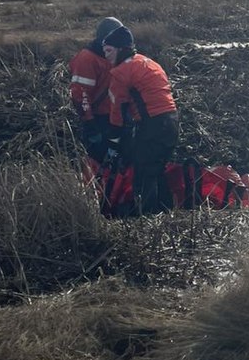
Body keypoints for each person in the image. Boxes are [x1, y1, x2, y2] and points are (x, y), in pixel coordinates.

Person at [103, 25, 179, 216]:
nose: (106, 56)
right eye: (104, 51)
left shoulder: (120, 72)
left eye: (109, 51)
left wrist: (114, 140)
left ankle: (145, 218)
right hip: (172, 121)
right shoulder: (149, 62)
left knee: (144, 172)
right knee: (157, 168)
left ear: (121, 49)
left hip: (152, 125)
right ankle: (165, 210)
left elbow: (117, 111)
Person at [68, 17, 122, 163]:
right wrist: (91, 124)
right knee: (97, 162)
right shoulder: (87, 59)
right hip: (98, 120)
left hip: (113, 118)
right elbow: (79, 95)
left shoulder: (112, 55)